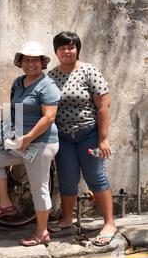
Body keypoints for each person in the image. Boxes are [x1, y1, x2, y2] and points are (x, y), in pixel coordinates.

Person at [0, 41, 60, 246]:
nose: (31, 64)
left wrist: (28, 139)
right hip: (19, 142)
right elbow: (14, 111)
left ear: (42, 63)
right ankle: (5, 203)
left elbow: (49, 117)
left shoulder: (48, 86)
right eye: (27, 60)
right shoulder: (18, 83)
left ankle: (42, 231)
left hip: (41, 144)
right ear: (21, 62)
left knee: (38, 188)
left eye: (35, 60)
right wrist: (12, 135)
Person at [47, 31, 117, 246]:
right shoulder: (51, 76)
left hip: (89, 135)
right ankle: (67, 219)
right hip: (64, 137)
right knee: (67, 179)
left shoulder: (89, 71)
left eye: (71, 47)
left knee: (95, 176)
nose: (67, 51)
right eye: (62, 48)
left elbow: (103, 106)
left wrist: (103, 139)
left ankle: (110, 223)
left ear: (77, 48)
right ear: (56, 51)